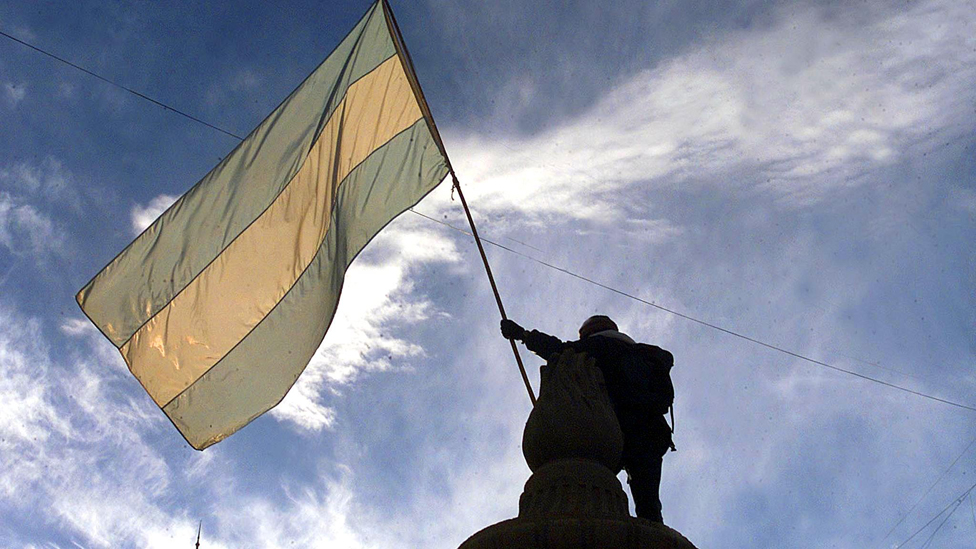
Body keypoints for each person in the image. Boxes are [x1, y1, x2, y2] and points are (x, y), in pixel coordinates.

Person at [501, 315, 674, 523]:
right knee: (648, 502)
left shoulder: (601, 345)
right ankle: (651, 533)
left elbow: (561, 351)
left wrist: (523, 335)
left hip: (615, 428)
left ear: (589, 333)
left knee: (587, 482)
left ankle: (583, 529)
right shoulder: (644, 356)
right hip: (652, 433)